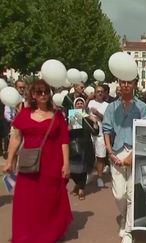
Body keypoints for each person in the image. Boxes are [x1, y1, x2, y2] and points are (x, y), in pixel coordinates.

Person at [2, 79, 72, 242]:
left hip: (52, 164)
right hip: (29, 164)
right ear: (32, 94)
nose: (43, 95)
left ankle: (49, 232)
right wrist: (9, 160)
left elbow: (64, 141)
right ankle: (27, 233)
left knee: (49, 200)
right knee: (27, 201)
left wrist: (66, 164)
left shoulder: (57, 116)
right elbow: (16, 137)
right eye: (39, 92)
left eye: (45, 92)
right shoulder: (25, 114)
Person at [103, 78, 146, 243]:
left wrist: (134, 154)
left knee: (132, 193)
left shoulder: (142, 107)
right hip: (116, 151)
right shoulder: (112, 107)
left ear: (135, 85)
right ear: (118, 84)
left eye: (129, 82)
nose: (126, 85)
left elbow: (145, 133)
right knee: (118, 194)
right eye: (122, 82)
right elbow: (106, 130)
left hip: (135, 151)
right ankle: (124, 216)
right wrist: (109, 151)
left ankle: (129, 230)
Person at [69, 97, 99, 200]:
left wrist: (94, 122)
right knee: (72, 170)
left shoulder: (89, 117)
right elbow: (74, 132)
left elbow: (95, 133)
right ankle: (77, 184)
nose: (80, 105)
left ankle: (81, 189)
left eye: (82, 103)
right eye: (78, 103)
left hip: (87, 145)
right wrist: (74, 120)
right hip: (75, 145)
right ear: (74, 105)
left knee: (84, 168)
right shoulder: (73, 115)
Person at [87, 85, 109, 187]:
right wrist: (87, 99)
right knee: (89, 156)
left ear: (104, 93)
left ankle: (100, 177)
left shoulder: (107, 105)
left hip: (101, 135)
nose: (100, 93)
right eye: (97, 91)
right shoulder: (90, 103)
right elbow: (79, 112)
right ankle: (88, 175)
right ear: (94, 93)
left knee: (101, 157)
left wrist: (98, 114)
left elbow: (108, 120)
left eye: (101, 91)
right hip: (89, 133)